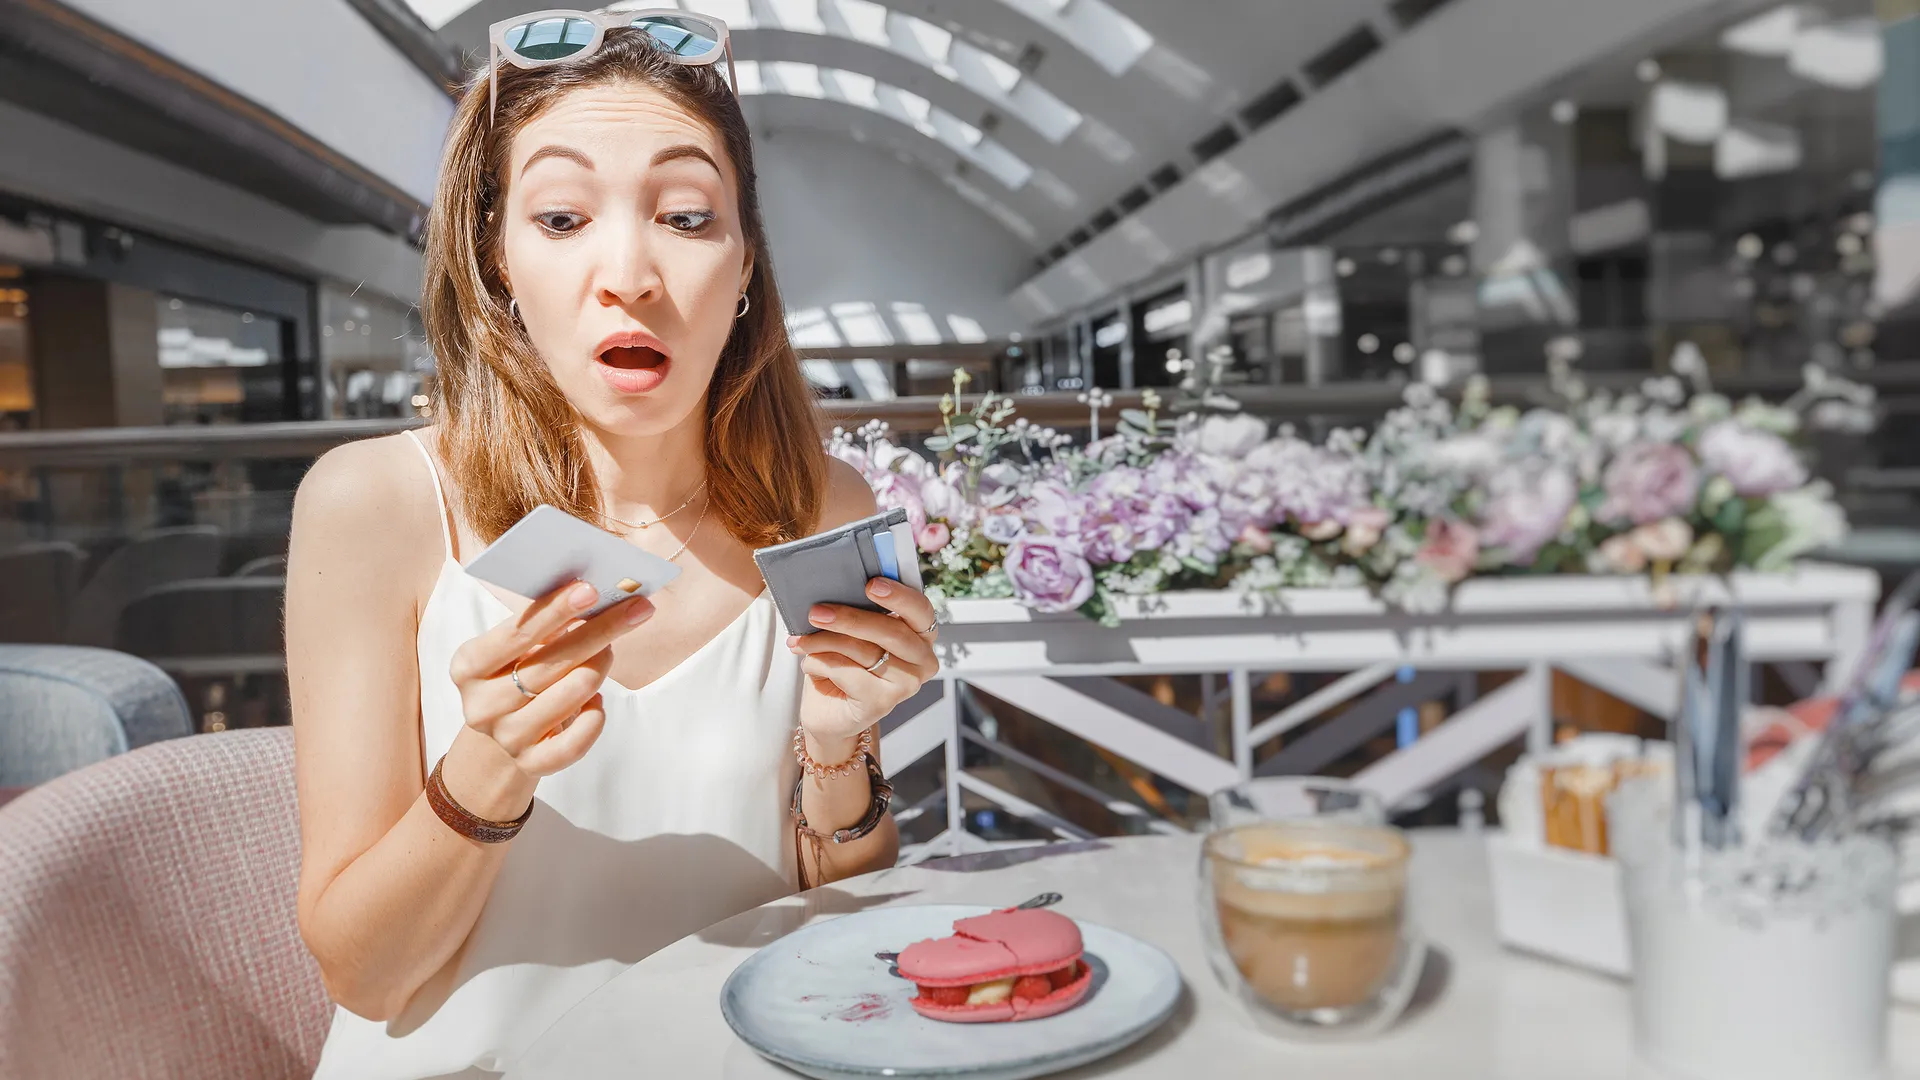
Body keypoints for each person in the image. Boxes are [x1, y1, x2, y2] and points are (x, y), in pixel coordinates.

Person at [287, 15, 938, 1078]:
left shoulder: (817, 502)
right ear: (497, 258)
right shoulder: (376, 505)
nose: (628, 271)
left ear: (742, 271)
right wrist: (487, 769)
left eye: (687, 216)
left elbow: (842, 920)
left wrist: (836, 742)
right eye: (561, 217)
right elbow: (364, 977)